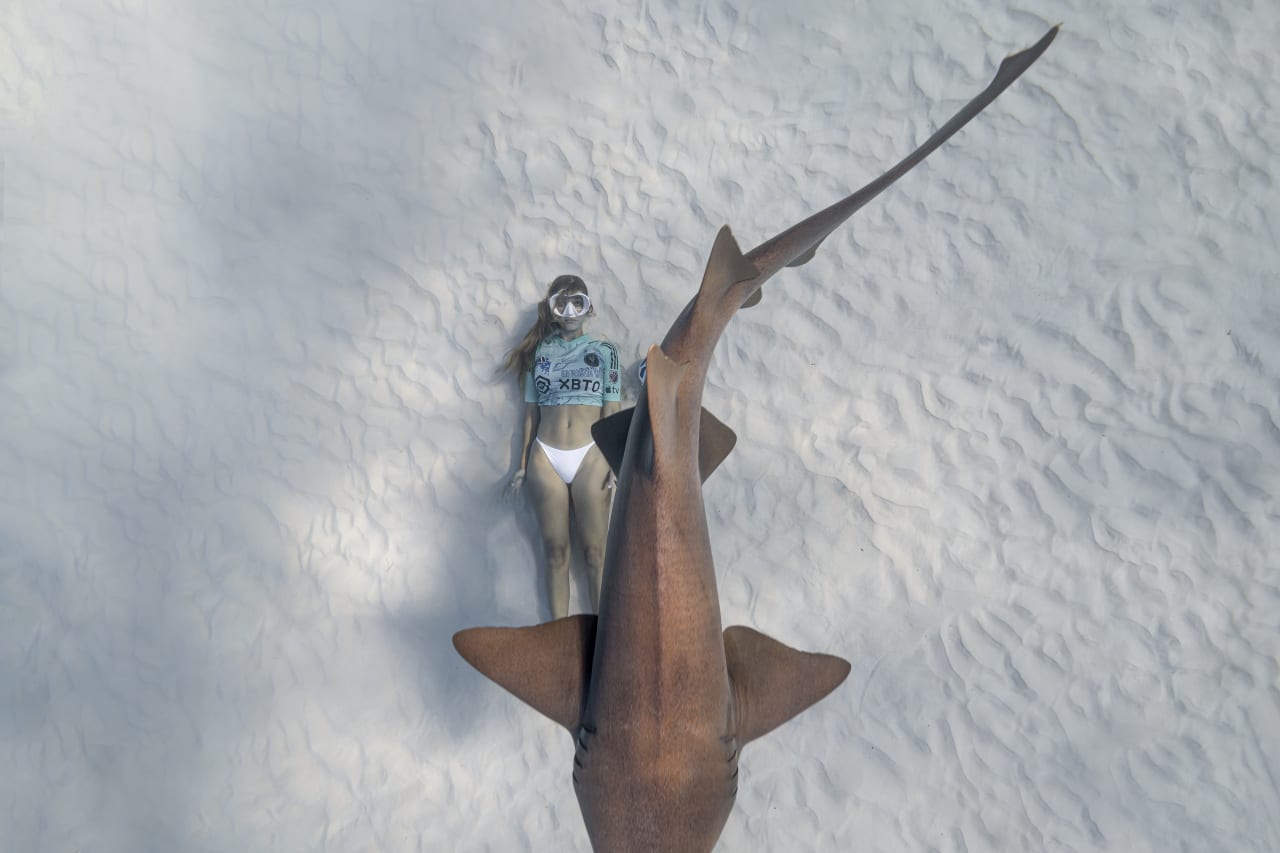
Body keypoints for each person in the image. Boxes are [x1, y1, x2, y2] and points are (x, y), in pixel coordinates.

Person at [503, 275, 622, 619]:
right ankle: (560, 639)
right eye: (562, 304)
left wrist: (614, 462)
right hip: (546, 457)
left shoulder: (605, 352)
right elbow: (529, 414)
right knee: (555, 553)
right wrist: (522, 465)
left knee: (595, 554)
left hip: (592, 454)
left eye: (578, 304)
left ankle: (602, 645)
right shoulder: (538, 353)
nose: (570, 312)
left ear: (589, 308)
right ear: (552, 310)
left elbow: (611, 410)